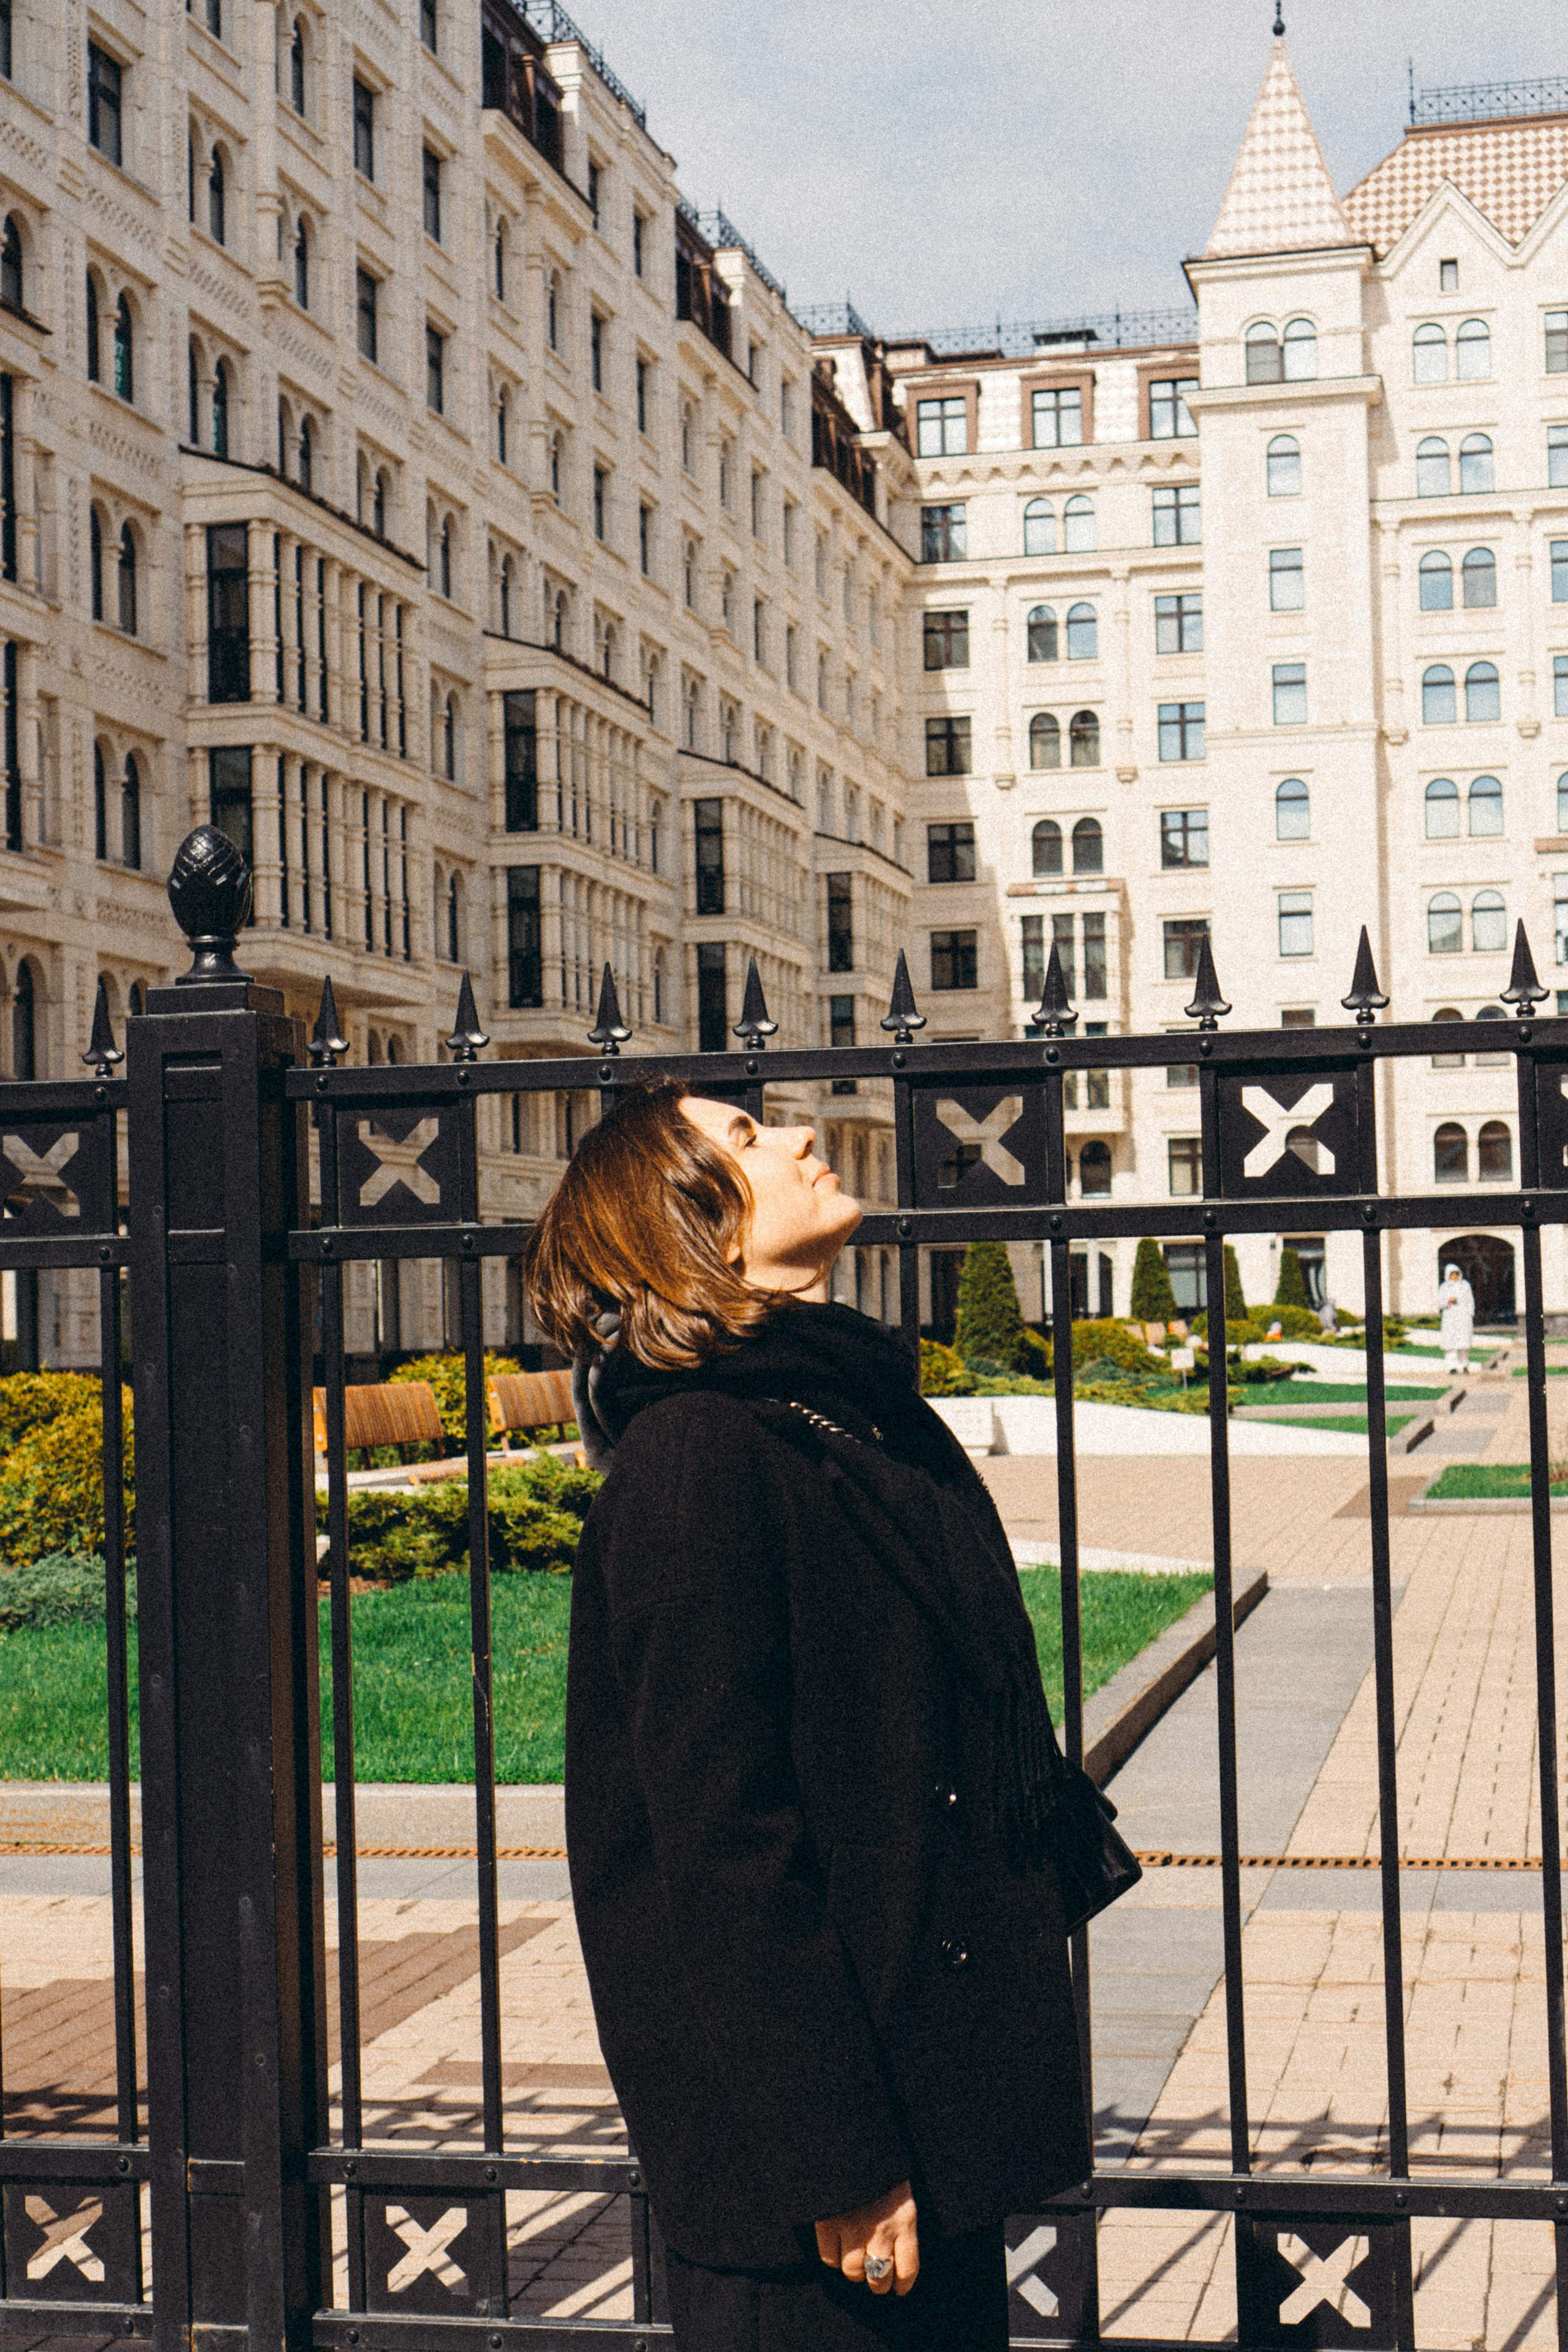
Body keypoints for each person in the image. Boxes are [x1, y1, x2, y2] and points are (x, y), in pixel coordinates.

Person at [525, 1082, 1088, 2351]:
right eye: (743, 1137)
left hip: (921, 2114)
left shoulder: (844, 1415)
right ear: (695, 1230)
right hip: (815, 2187)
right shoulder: (695, 1464)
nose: (795, 1137)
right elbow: (719, 1853)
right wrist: (834, 2156)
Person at [1438, 1262, 1476, 1374]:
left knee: (1463, 1344)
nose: (1454, 1277)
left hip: (1463, 1317)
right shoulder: (1444, 1287)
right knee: (1451, 1344)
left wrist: (1470, 1313)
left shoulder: (1465, 1285)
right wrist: (1448, 1301)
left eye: (1456, 1274)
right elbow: (1439, 1303)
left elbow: (1470, 1300)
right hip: (1450, 1318)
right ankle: (1452, 1367)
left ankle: (1464, 1365)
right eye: (1452, 1275)